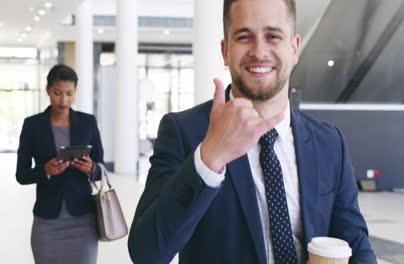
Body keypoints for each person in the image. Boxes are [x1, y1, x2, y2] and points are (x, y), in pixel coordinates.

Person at [128, 0, 377, 263]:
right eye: (244, 37)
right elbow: (147, 253)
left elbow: (357, 245)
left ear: (294, 48)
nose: (259, 52)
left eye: (273, 36)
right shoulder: (184, 132)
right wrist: (209, 158)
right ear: (225, 51)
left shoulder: (329, 143)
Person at [16, 64, 104, 264]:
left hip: (83, 221)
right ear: (47, 90)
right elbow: (21, 174)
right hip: (47, 222)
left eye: (69, 94)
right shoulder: (33, 125)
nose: (63, 100)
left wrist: (91, 168)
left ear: (75, 92)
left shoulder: (87, 122)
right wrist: (45, 170)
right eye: (57, 93)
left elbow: (100, 168)